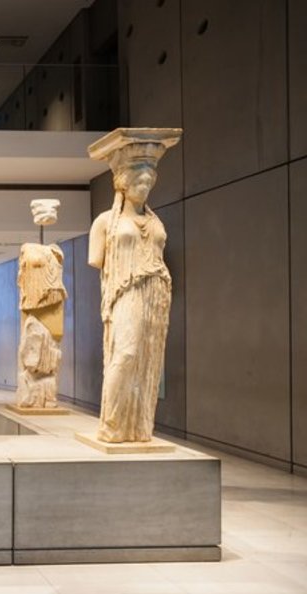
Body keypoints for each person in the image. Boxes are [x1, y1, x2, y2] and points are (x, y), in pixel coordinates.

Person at [87, 128, 180, 443]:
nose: (145, 186)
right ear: (122, 182)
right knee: (125, 354)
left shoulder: (156, 222)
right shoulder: (104, 223)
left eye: (149, 181)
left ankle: (138, 426)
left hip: (155, 291)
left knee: (147, 359)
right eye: (139, 180)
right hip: (124, 291)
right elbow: (97, 260)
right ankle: (111, 424)